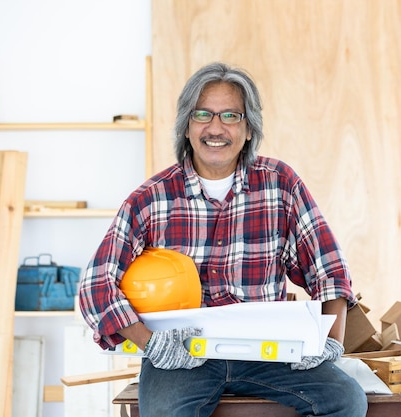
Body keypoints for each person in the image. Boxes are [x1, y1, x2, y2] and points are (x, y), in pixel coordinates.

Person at [78, 62, 368, 417]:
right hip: (182, 357)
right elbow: (96, 285)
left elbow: (330, 269)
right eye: (203, 114)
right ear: (187, 126)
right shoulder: (151, 199)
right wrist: (152, 344)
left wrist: (330, 343)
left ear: (249, 129)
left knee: (347, 401)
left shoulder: (281, 184)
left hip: (271, 351)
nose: (215, 128)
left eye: (230, 116)